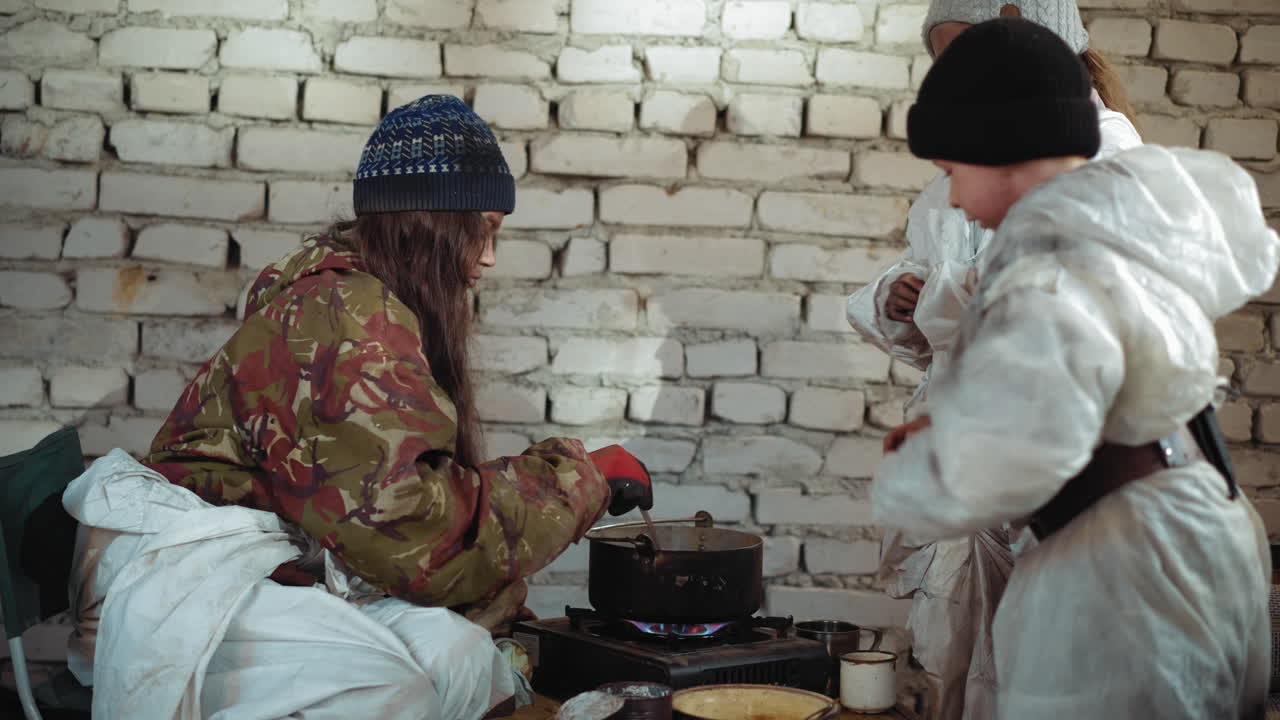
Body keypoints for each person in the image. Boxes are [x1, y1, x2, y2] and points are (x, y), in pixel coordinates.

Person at [61, 95, 655, 720]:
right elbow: (410, 529)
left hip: (249, 571)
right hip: (184, 586)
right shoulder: (349, 320)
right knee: (396, 689)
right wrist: (581, 476)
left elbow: (391, 511)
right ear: (433, 224)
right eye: (485, 228)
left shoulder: (353, 300)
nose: (488, 257)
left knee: (463, 660)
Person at [874, 17, 1275, 719]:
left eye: (951, 173)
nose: (957, 201)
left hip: (1122, 567)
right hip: (1200, 524)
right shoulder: (1120, 233)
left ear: (1001, 151)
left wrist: (923, 465)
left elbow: (1006, 465)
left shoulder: (1045, 269)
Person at [844, 1, 1141, 717]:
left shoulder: (1110, 165)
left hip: (1065, 496)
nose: (952, 194)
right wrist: (901, 296)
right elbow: (952, 309)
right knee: (971, 667)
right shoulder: (974, 177)